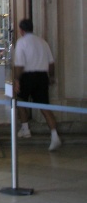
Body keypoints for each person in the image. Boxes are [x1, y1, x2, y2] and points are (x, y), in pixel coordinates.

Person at [13, 18, 61, 151]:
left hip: (27, 76)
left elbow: (19, 64)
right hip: (42, 77)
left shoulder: (21, 42)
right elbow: (51, 63)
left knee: (20, 101)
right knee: (44, 107)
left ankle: (25, 128)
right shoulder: (43, 42)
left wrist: (16, 80)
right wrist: (51, 77)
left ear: (21, 30)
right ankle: (54, 135)